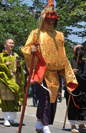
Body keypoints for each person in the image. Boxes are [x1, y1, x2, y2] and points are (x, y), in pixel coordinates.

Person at [21, 1, 78, 132]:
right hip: (41, 72)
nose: (51, 22)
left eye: (53, 20)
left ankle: (39, 122)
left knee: (52, 100)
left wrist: (68, 74)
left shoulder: (59, 35)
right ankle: (46, 125)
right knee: (45, 98)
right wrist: (32, 50)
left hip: (55, 73)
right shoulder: (36, 33)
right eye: (48, 19)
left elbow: (63, 55)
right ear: (43, 18)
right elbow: (26, 48)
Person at [0, 39, 25, 126]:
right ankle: (6, 119)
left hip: (14, 79)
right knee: (6, 99)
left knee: (14, 99)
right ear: (5, 45)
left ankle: (12, 118)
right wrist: (4, 65)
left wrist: (19, 66)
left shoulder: (16, 56)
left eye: (12, 43)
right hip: (5, 79)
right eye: (9, 43)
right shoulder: (0, 56)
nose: (11, 45)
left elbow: (20, 67)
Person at [65, 44, 86, 133]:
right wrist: (71, 72)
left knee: (83, 107)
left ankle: (81, 124)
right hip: (72, 90)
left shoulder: (85, 63)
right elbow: (64, 75)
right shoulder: (69, 63)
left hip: (83, 90)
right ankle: (73, 125)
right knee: (72, 107)